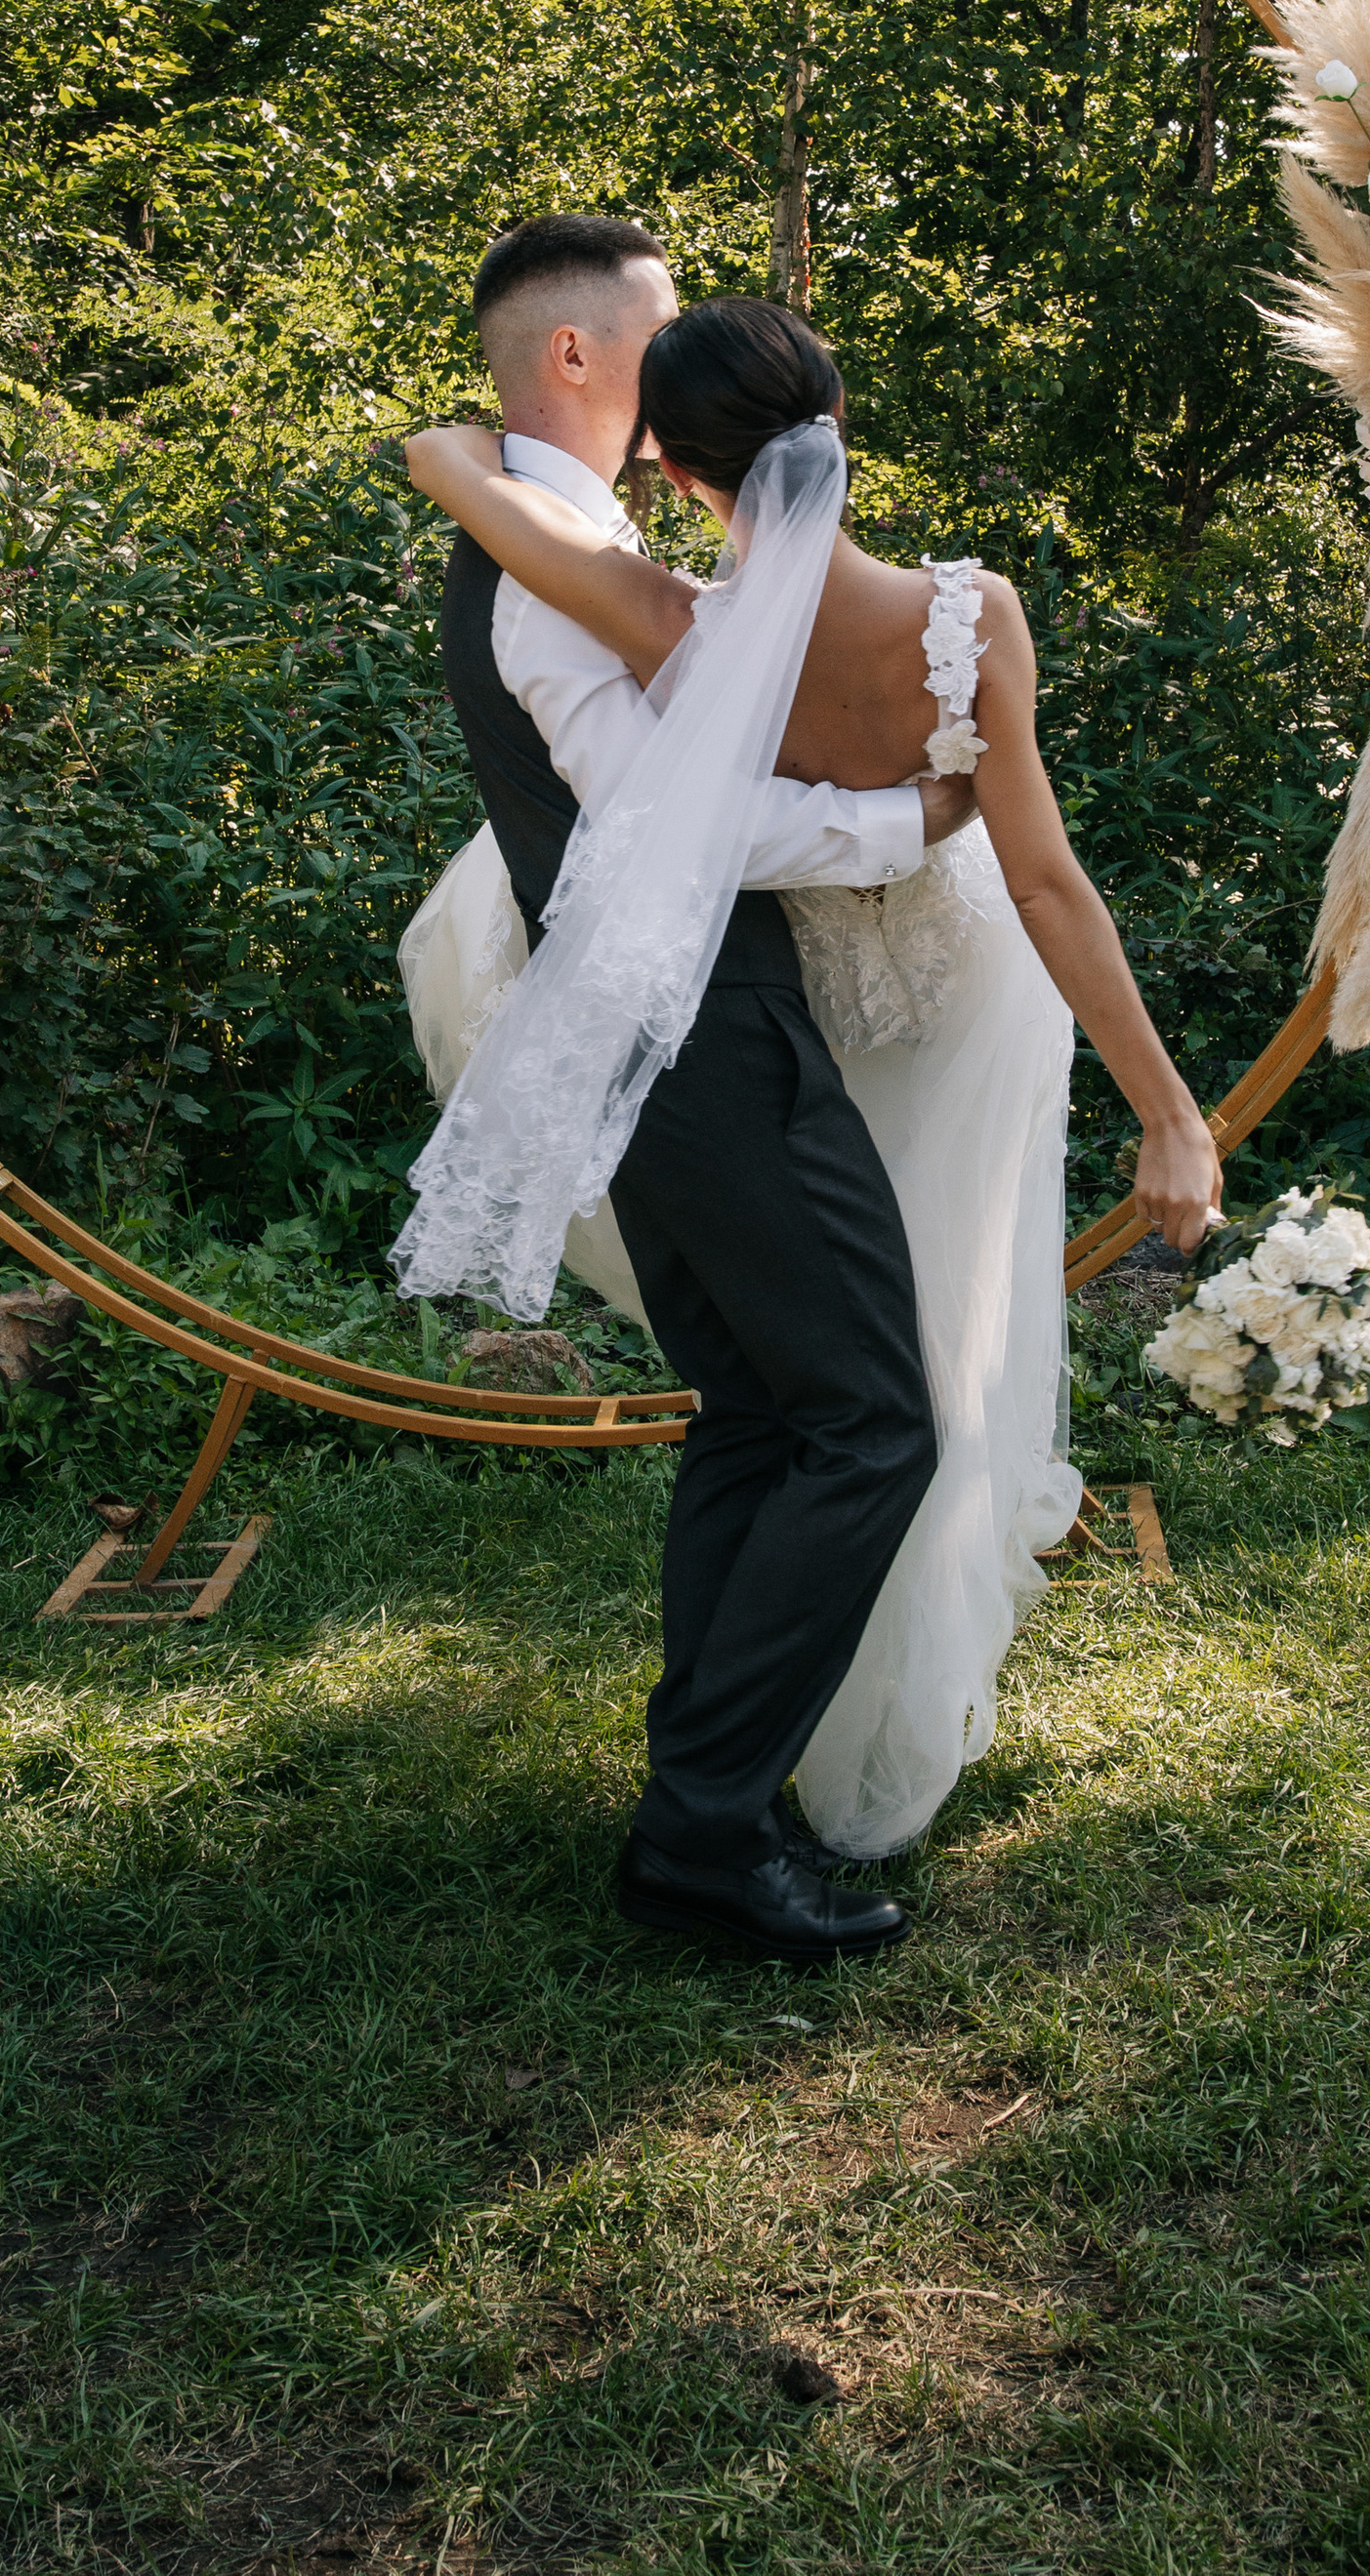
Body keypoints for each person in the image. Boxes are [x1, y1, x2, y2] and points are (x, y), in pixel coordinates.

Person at [396, 235, 1221, 1934]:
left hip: (687, 1049)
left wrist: (443, 454)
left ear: (694, 466)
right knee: (874, 1424)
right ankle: (701, 1830)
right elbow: (668, 835)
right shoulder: (610, 591)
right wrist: (911, 823)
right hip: (716, 1050)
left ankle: (707, 1777)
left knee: (764, 1417)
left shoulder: (656, 598)